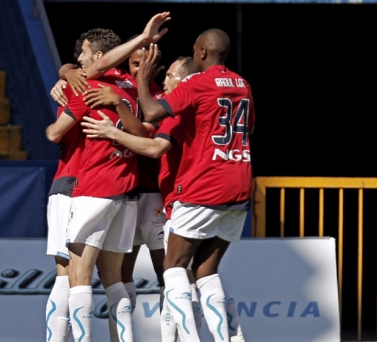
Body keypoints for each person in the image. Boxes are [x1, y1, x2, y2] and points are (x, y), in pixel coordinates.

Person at [86, 28, 254, 342]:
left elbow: (153, 137)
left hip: (200, 189)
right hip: (239, 185)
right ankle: (231, 338)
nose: (166, 82)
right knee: (205, 272)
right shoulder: (242, 85)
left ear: (201, 53)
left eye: (173, 75)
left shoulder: (193, 90)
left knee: (174, 267)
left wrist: (112, 130)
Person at [45, 13, 171, 342]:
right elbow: (146, 131)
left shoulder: (89, 84)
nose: (77, 60)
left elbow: (54, 134)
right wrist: (67, 72)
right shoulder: (132, 92)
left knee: (70, 275)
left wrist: (70, 78)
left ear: (99, 57)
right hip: (128, 189)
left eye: (83, 55)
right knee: (116, 276)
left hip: (80, 184)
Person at [82, 40, 167, 316]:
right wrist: (67, 71)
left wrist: (120, 105)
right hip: (127, 191)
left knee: (167, 270)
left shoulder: (160, 96)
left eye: (146, 63)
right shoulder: (114, 83)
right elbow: (87, 70)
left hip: (154, 190)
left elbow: (143, 135)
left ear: (156, 66)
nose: (140, 68)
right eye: (135, 63)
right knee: (121, 272)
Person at [44, 39, 84, 342]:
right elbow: (54, 135)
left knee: (78, 278)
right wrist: (67, 72)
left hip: (96, 189)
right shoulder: (76, 84)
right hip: (73, 184)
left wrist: (67, 72)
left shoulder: (114, 87)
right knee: (70, 275)